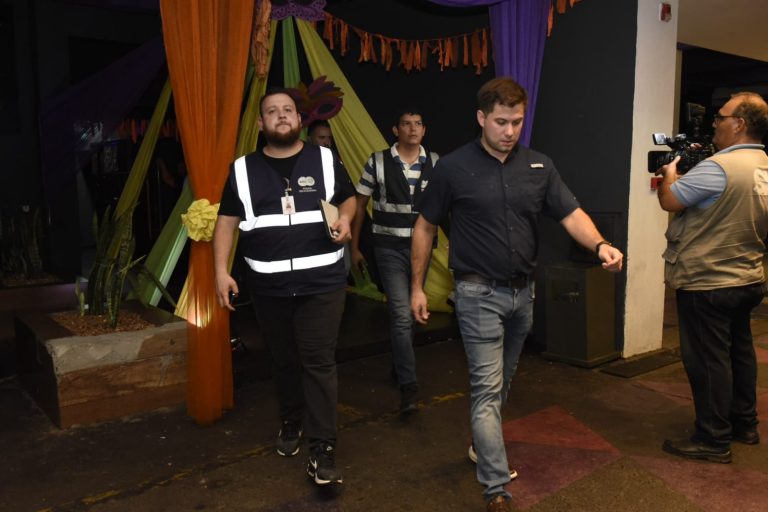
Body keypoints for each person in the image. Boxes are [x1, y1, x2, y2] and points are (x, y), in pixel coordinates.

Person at [410, 77, 623, 512]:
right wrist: (416, 286)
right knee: (487, 388)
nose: (510, 131)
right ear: (481, 118)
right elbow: (425, 226)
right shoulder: (452, 167)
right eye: (501, 122)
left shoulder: (540, 165)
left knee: (502, 382)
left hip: (523, 295)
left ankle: (480, 442)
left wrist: (600, 244)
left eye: (517, 122)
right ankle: (495, 488)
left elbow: (570, 213)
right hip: (477, 294)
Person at [213, 88, 356, 486]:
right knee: (283, 359)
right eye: (272, 111)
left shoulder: (325, 159)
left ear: (299, 119)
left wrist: (346, 218)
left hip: (322, 282)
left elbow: (347, 199)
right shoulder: (242, 169)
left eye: (288, 110)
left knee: (318, 360)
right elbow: (226, 221)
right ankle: (291, 419)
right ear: (261, 123)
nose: (281, 116)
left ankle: (322, 449)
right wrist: (220, 271)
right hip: (268, 287)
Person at [656, 92, 768, 464]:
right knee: (740, 352)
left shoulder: (718, 167)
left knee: (708, 359)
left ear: (740, 124)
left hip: (708, 280)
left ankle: (713, 438)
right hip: (747, 276)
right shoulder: (763, 164)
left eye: (721, 117)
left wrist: (669, 174)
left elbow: (670, 200)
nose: (715, 123)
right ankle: (744, 424)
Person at [350, 107, 438, 414]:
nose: (412, 129)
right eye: (406, 124)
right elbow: (359, 205)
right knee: (401, 313)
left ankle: (400, 365)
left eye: (418, 123)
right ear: (395, 130)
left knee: (411, 311)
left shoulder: (436, 162)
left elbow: (449, 204)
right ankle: (408, 387)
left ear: (424, 130)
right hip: (388, 248)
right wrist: (354, 247)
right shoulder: (377, 161)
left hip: (422, 249)